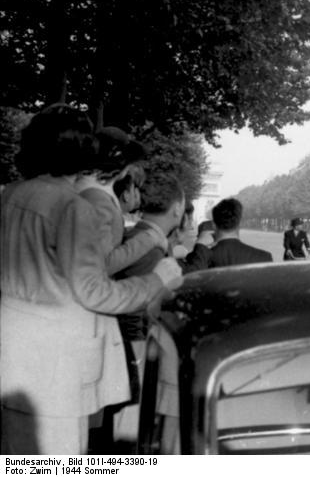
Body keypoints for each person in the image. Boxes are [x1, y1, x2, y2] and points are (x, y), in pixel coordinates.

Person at [0, 105, 183, 454]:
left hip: (14, 354)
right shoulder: (73, 207)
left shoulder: (12, 195)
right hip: (59, 367)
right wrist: (157, 279)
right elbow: (94, 292)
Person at [110, 172, 187, 452]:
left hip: (132, 347)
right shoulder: (150, 246)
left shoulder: (140, 236)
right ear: (177, 208)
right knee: (130, 434)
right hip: (137, 350)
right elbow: (136, 309)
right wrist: (140, 358)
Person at [77, 126, 165, 276]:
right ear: (123, 167)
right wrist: (149, 238)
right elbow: (103, 265)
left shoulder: (84, 191)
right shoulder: (98, 201)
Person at [182, 198, 273, 272]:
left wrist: (200, 245)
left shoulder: (198, 259)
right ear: (239, 222)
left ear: (214, 225)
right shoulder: (264, 258)